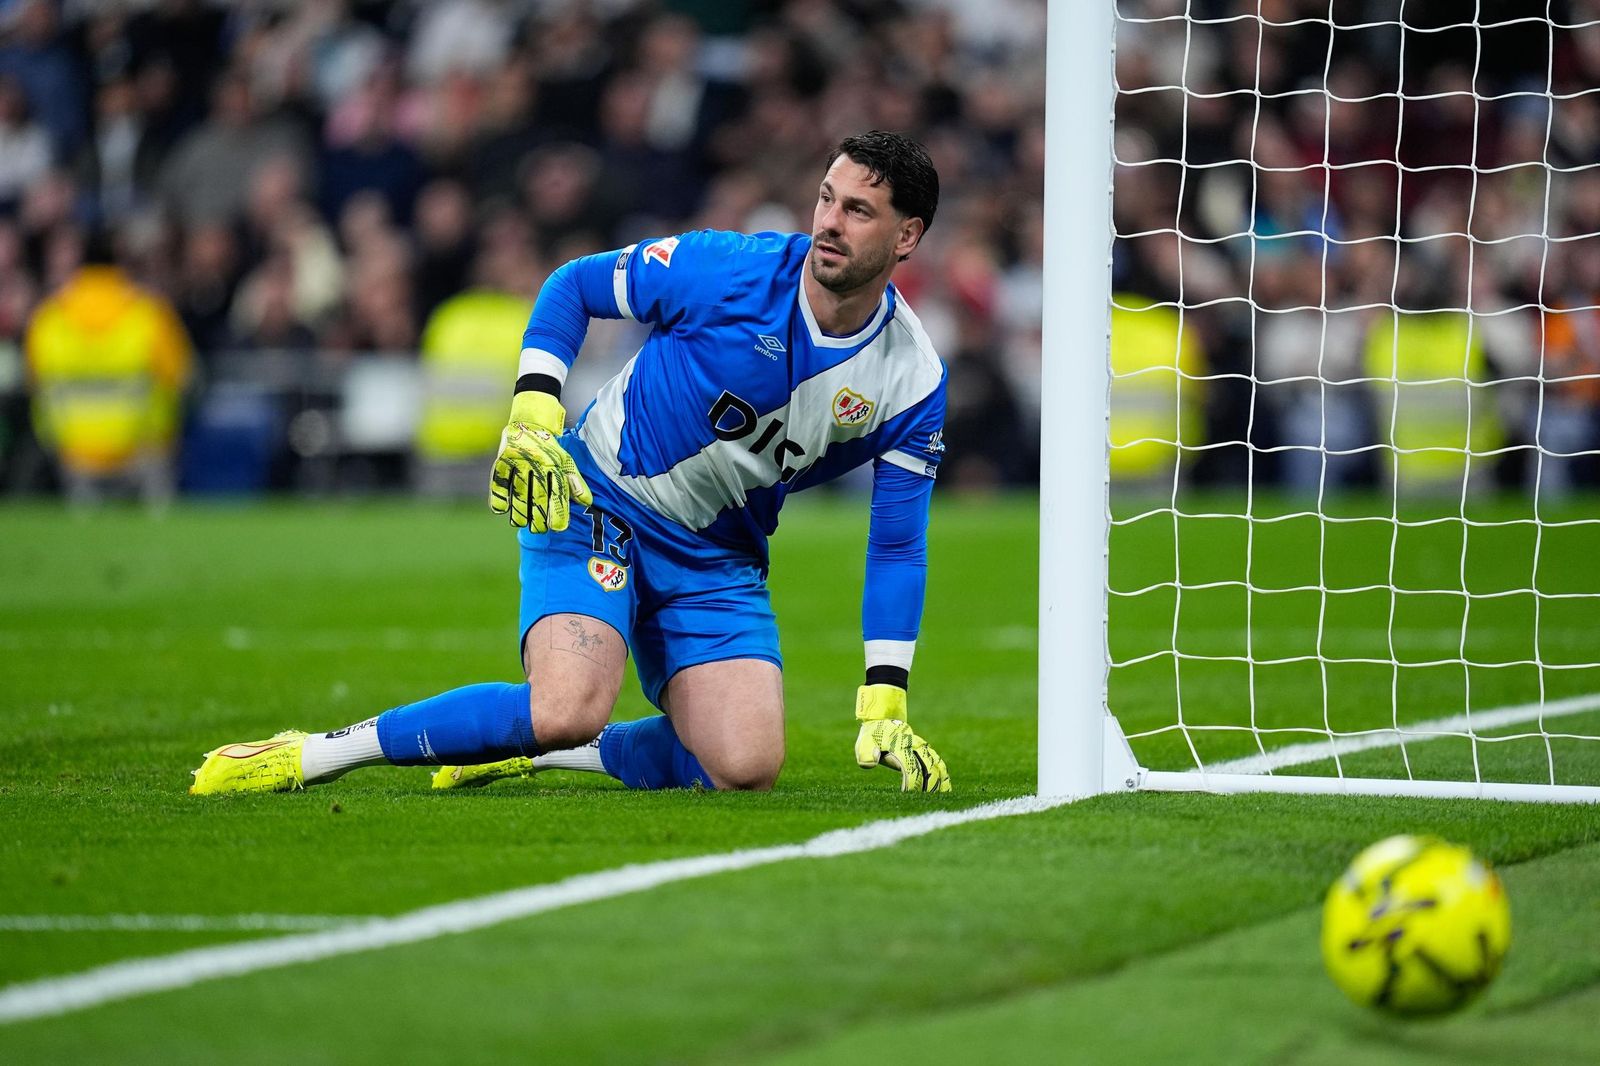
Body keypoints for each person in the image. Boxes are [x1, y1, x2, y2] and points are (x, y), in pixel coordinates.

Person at [190, 131, 951, 796]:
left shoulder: (911, 380)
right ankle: (317, 752)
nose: (829, 221)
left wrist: (884, 698)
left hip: (718, 556)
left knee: (745, 766)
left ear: (907, 236)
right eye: (827, 197)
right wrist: (533, 408)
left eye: (859, 211)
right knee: (565, 705)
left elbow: (895, 543)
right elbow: (573, 285)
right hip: (597, 500)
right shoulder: (727, 269)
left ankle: (555, 757)